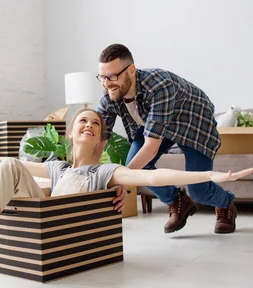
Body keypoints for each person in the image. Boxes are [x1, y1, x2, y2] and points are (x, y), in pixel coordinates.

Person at [0, 109, 253, 275]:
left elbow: (152, 178)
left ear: (101, 141)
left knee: (8, 165)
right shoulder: (57, 166)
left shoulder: (107, 170)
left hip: (57, 221)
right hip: (41, 207)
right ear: (69, 133)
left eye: (96, 126)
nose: (89, 125)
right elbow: (1, 164)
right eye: (82, 122)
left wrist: (212, 176)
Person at [96, 43, 239, 234]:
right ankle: (178, 202)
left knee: (199, 190)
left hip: (192, 124)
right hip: (156, 124)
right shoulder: (109, 96)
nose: (107, 83)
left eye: (113, 76)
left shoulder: (159, 86)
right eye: (102, 77)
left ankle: (226, 204)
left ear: (131, 70)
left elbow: (151, 147)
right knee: (135, 165)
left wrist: (121, 179)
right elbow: (99, 140)